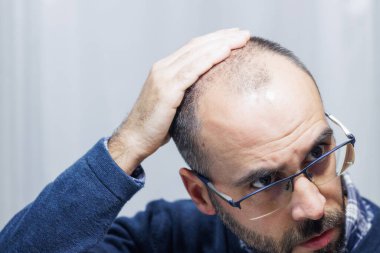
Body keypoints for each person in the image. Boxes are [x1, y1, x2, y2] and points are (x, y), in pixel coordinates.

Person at [0, 28, 379, 253]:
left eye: (318, 153)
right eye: (265, 181)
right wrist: (128, 143)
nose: (313, 207)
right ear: (201, 195)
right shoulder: (173, 238)